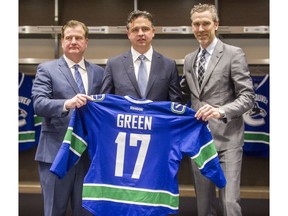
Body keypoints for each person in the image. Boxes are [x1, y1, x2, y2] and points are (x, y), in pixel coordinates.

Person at [180, 3, 255, 216]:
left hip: (228, 141)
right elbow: (188, 95)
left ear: (216, 24)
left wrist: (220, 111)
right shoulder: (188, 60)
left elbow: (247, 97)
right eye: (196, 24)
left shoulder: (233, 54)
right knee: (204, 208)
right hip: (200, 142)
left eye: (205, 23)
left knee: (230, 204)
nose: (201, 29)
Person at [31, 20, 104, 216]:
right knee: (55, 210)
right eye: (69, 37)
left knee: (87, 212)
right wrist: (66, 103)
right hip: (56, 156)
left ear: (86, 42)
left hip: (89, 157)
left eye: (78, 37)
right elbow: (38, 104)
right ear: (62, 41)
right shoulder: (47, 69)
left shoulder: (100, 73)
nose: (73, 41)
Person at [100, 10, 182, 102]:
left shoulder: (169, 65)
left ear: (153, 32)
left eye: (145, 29)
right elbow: (106, 102)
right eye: (135, 30)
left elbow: (176, 103)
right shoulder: (113, 65)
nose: (140, 34)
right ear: (128, 34)